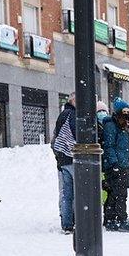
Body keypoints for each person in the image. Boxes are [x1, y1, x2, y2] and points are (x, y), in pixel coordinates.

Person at [102, 98, 129, 232]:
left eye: (128, 111)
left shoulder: (123, 125)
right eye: (124, 111)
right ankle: (121, 220)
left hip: (122, 163)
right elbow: (109, 146)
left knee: (115, 193)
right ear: (118, 112)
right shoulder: (112, 125)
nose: (127, 113)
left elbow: (122, 146)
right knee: (119, 194)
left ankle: (111, 219)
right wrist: (114, 163)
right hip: (116, 165)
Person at [51, 93, 77, 233]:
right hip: (72, 159)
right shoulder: (71, 114)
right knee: (78, 192)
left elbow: (55, 138)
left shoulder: (62, 114)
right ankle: (78, 220)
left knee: (66, 193)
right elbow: (72, 137)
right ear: (73, 101)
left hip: (62, 160)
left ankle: (67, 224)